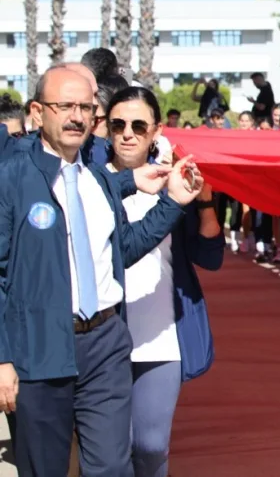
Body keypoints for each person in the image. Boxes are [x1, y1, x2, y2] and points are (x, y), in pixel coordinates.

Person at [0, 66, 203, 476]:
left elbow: (124, 249)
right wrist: (3, 359)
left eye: (84, 108)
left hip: (106, 344)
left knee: (112, 467)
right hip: (39, 349)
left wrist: (174, 203)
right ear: (38, 113)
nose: (76, 116)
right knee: (44, 468)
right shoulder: (12, 179)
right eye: (64, 106)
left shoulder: (99, 182)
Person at [105, 86, 225, 477]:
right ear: (105, 128)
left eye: (139, 125)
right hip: (103, 342)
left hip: (162, 339)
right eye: (118, 124)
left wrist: (202, 199)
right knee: (112, 452)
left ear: (156, 130)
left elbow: (210, 257)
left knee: (152, 447)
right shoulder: (90, 182)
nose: (128, 133)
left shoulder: (176, 179)